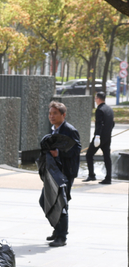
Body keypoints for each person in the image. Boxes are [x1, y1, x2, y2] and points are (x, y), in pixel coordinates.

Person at [44, 100, 81, 247]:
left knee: (61, 203)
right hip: (54, 172)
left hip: (66, 173)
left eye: (55, 113)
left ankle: (62, 237)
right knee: (45, 201)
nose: (51, 116)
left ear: (63, 115)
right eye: (50, 113)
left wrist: (58, 152)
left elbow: (76, 149)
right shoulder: (53, 129)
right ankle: (57, 229)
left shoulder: (70, 130)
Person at [83, 91, 114, 184]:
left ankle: (92, 175)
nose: (95, 100)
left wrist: (97, 136)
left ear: (99, 99)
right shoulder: (109, 109)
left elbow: (99, 124)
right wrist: (108, 133)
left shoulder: (99, 110)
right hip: (107, 137)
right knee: (107, 157)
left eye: (95, 98)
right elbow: (112, 124)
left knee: (89, 155)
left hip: (99, 138)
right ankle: (108, 178)